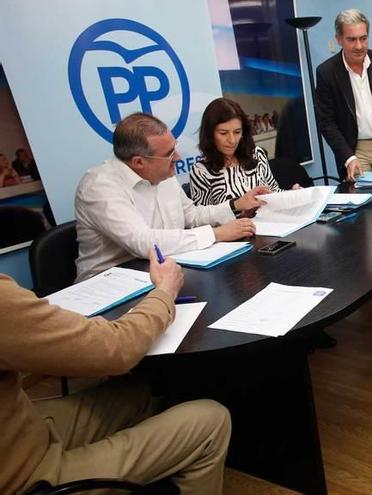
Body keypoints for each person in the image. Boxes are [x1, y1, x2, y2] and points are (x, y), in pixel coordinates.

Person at [0, 250, 231, 494]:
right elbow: (117, 349)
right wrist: (165, 291)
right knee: (211, 420)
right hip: (25, 477)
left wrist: (78, 340)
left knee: (138, 394)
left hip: (21, 432)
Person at [75, 112, 256, 282]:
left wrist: (235, 205)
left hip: (162, 272)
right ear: (139, 162)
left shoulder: (162, 173)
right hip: (110, 286)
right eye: (169, 154)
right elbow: (143, 242)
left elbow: (191, 216)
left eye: (174, 148)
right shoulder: (99, 186)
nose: (177, 158)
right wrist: (215, 234)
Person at [315, 9, 372, 182]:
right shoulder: (326, 72)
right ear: (339, 39)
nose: (359, 46)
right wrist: (347, 157)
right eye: (351, 39)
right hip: (354, 149)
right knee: (366, 201)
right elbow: (326, 121)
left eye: (363, 38)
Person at [190, 97, 285, 211]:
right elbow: (203, 219)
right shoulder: (201, 172)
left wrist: (294, 195)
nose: (232, 140)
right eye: (223, 133)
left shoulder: (257, 154)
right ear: (210, 134)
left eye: (237, 132)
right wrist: (242, 216)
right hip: (235, 228)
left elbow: (275, 191)